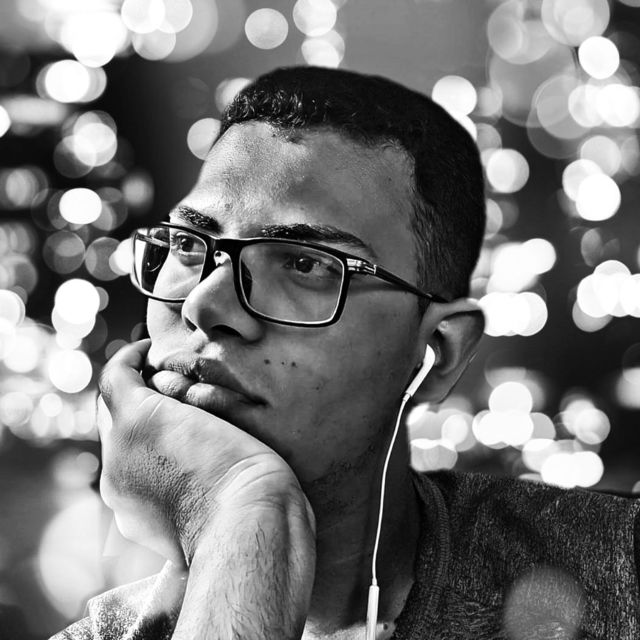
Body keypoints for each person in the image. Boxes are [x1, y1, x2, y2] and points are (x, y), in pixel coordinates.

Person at [53, 66, 640, 640]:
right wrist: (247, 512)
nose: (205, 304)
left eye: (304, 263)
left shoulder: (619, 574)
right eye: (188, 244)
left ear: (436, 351)